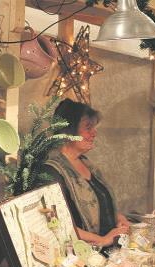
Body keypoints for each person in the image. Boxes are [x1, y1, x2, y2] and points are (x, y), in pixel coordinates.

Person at [44, 99, 130, 248]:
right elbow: (55, 223)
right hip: (84, 256)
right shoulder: (52, 172)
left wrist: (117, 217)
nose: (94, 133)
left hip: (110, 252)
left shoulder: (86, 162)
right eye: (88, 127)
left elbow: (100, 200)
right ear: (68, 131)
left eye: (93, 127)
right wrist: (102, 240)